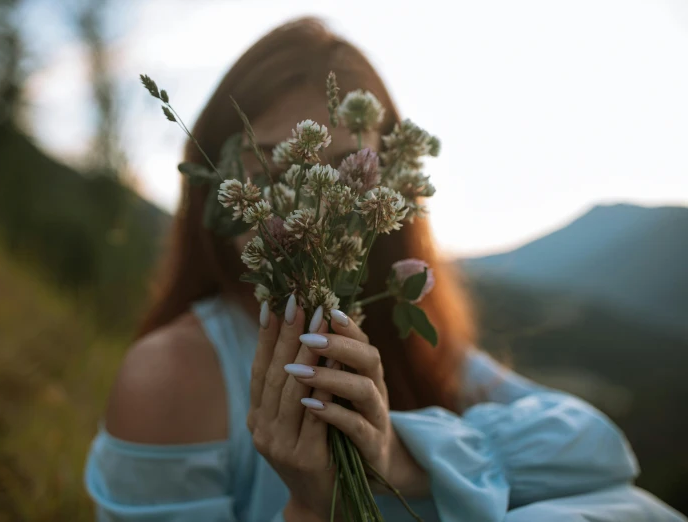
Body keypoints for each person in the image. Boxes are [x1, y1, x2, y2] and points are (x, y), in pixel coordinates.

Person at [84, 17, 685, 522]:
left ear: (388, 187)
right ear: (218, 183)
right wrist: (313, 508)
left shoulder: (394, 333)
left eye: (347, 168)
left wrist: (400, 457)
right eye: (272, 166)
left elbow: (601, 452)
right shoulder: (171, 376)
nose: (308, 204)